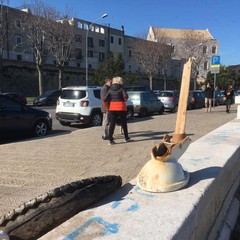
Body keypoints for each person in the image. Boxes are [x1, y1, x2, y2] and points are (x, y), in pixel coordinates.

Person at [103, 76, 130, 145]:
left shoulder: (110, 89)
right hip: (121, 107)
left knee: (112, 124)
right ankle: (126, 138)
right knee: (124, 123)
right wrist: (124, 101)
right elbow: (126, 97)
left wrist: (107, 106)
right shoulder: (121, 88)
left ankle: (110, 140)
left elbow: (105, 99)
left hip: (112, 108)